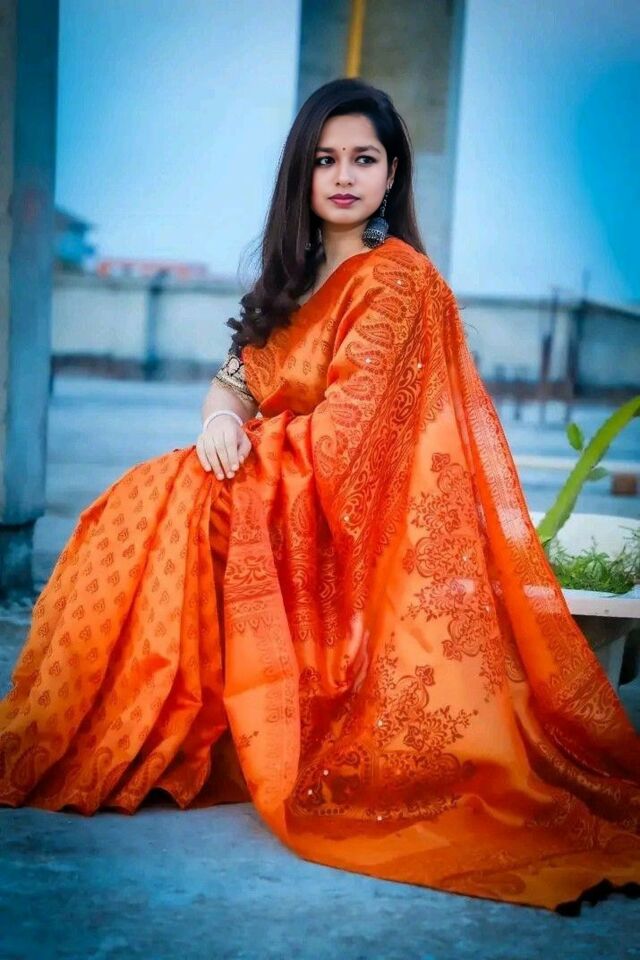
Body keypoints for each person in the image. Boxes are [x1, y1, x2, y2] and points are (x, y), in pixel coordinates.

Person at [1, 77, 639, 915]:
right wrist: (219, 422)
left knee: (169, 505)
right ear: (301, 173)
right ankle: (129, 732)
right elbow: (235, 380)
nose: (343, 176)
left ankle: (143, 733)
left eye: (363, 159)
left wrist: (233, 461)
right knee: (144, 505)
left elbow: (348, 442)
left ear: (392, 172)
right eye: (325, 159)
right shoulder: (294, 279)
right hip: (280, 487)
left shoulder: (398, 280)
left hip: (350, 517)